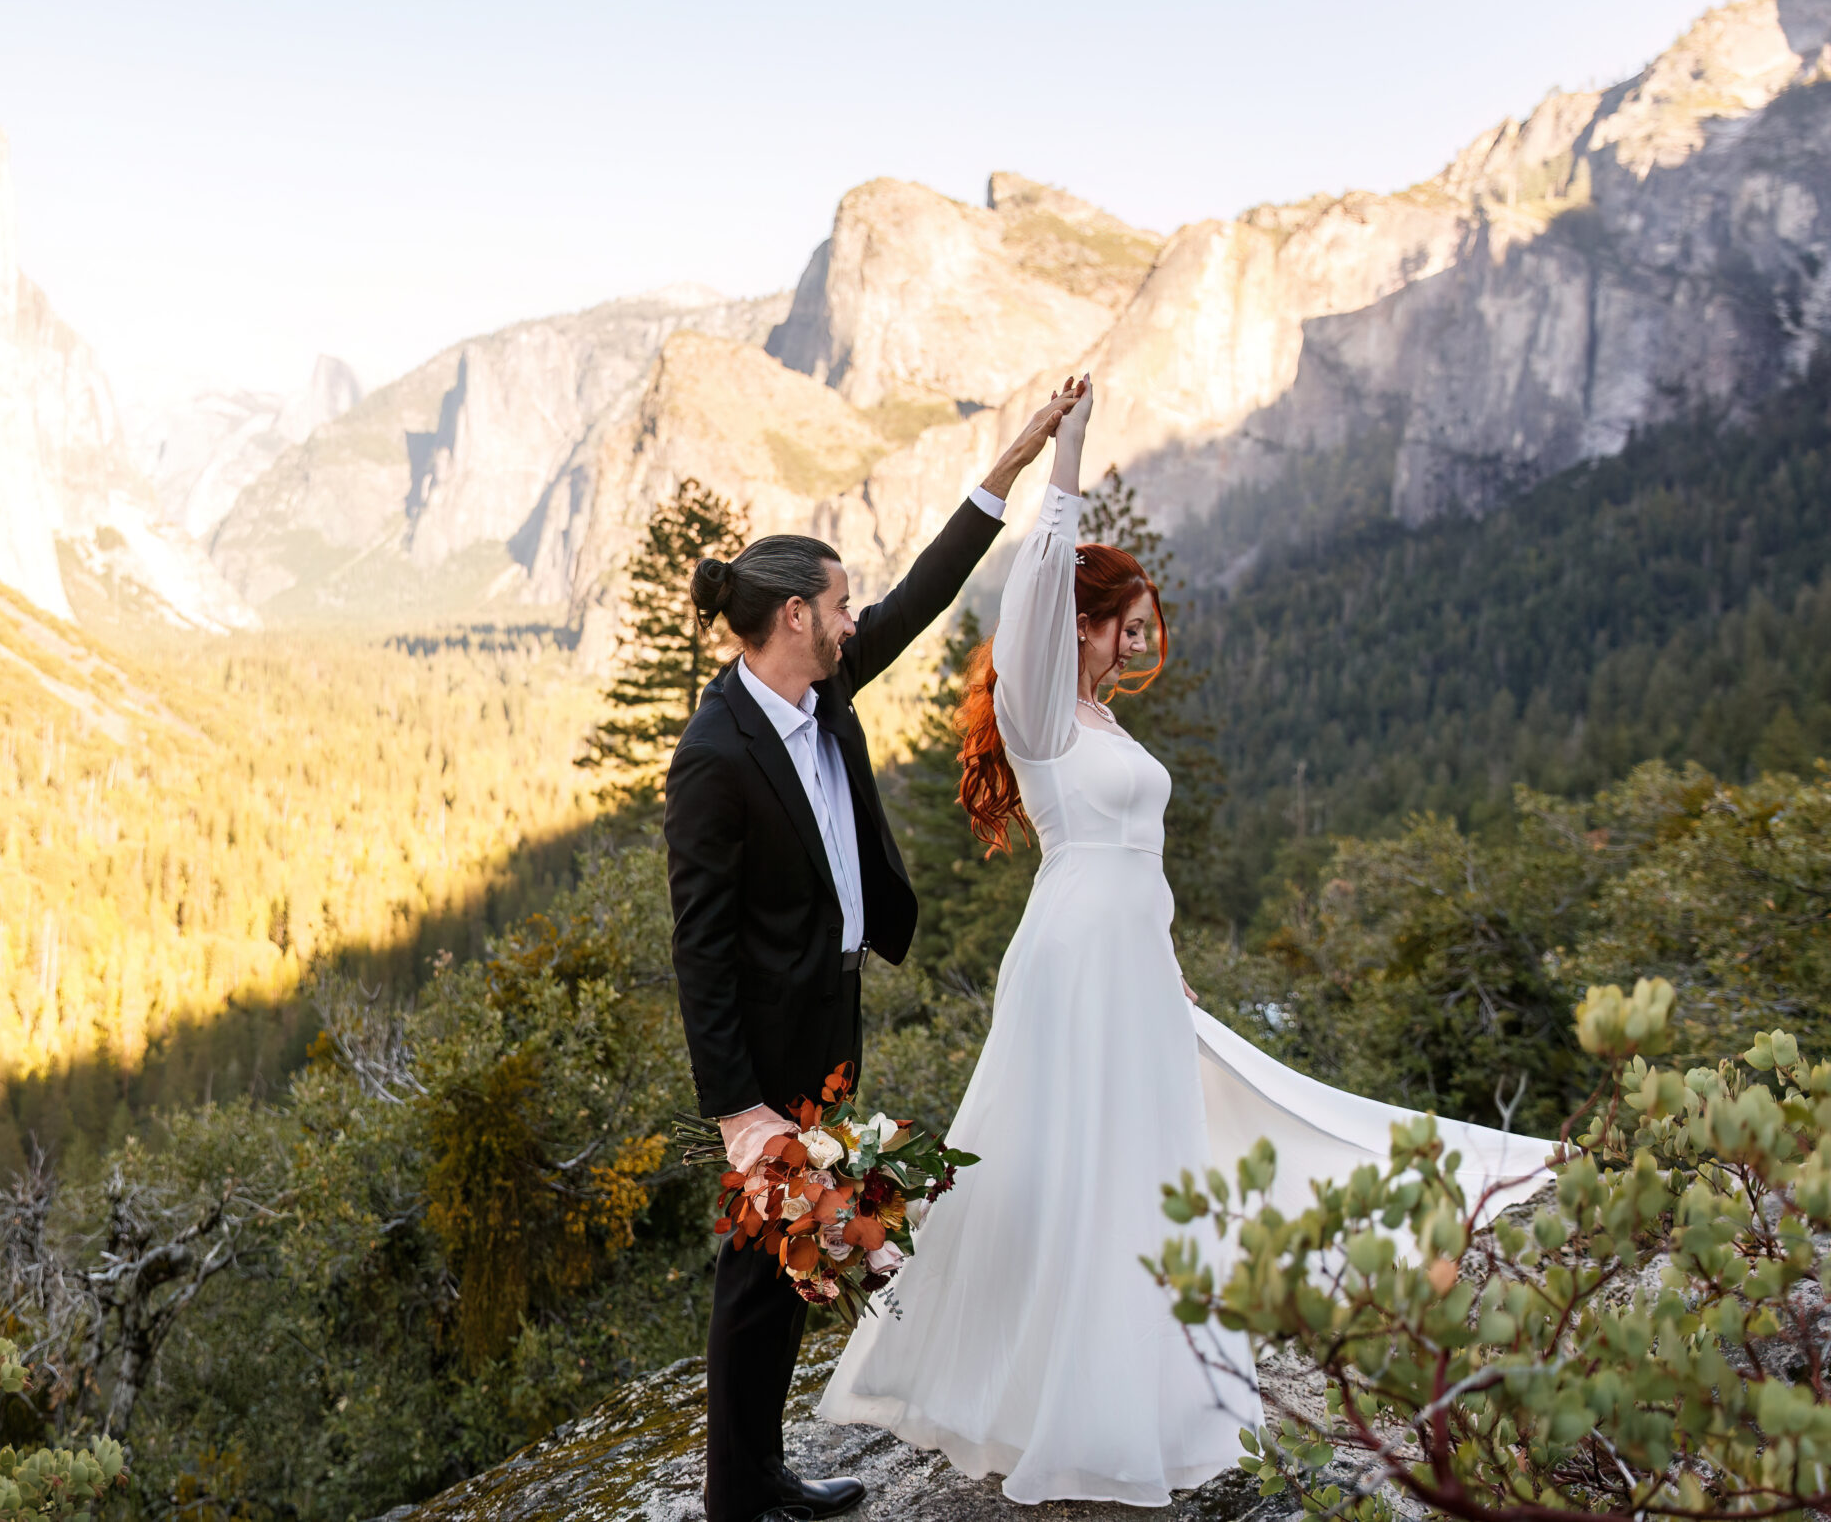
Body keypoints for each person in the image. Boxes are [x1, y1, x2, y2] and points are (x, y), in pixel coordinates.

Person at [814, 375, 1559, 1504]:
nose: (1135, 645)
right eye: (1125, 626)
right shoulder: (1041, 710)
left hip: (1130, 956)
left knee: (1155, 1158)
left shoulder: (1102, 721)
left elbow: (1145, 869)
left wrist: (1167, 963)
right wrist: (1063, 456)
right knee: (1067, 1160)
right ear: (1083, 623)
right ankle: (1048, 1394)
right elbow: (1034, 579)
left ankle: (1151, 1379)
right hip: (1070, 958)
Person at [665, 378, 1086, 1522]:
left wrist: (1012, 459)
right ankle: (738, 1495)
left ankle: (752, 1476)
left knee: (794, 1264)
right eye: (839, 604)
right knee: (759, 1266)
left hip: (829, 1019)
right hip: (764, 1055)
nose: (856, 618)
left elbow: (924, 594)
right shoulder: (714, 755)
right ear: (794, 614)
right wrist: (738, 1112)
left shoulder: (826, 685)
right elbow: (697, 947)